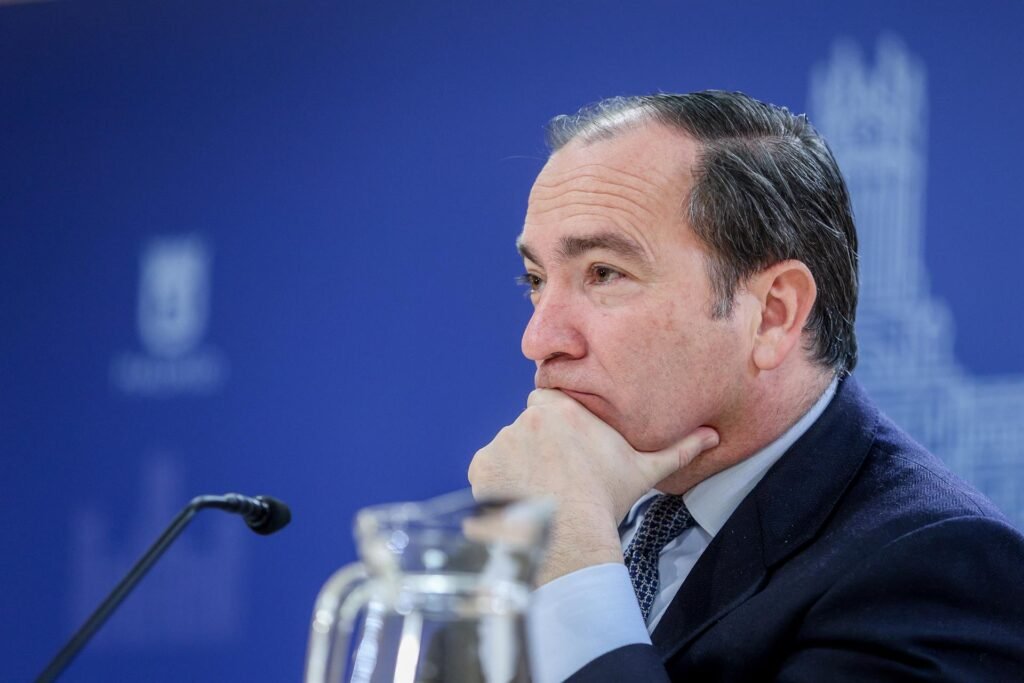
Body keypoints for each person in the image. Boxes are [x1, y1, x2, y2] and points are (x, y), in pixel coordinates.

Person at [468, 91, 1024, 681]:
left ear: (773, 315)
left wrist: (568, 569)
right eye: (535, 279)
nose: (538, 338)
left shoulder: (937, 571)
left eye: (604, 273)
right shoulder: (596, 495)